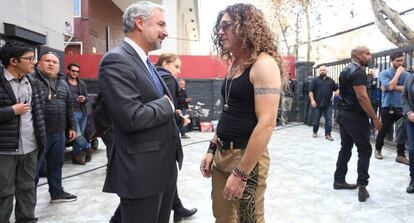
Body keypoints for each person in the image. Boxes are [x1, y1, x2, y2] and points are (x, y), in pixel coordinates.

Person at [98, 1, 183, 222]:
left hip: (162, 168)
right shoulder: (116, 59)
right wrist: (167, 105)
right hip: (142, 173)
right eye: (161, 24)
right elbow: (131, 117)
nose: (166, 32)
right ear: (140, 23)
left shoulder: (143, 60)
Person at [199, 3, 283, 222]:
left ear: (245, 27)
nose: (220, 31)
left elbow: (267, 123)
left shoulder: (264, 65)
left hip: (246, 158)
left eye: (227, 25)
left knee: (249, 219)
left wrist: (241, 172)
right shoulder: (235, 64)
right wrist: (211, 149)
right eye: (219, 26)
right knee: (223, 217)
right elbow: (228, 113)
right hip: (221, 155)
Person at [0, 41, 46, 223]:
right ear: (13, 61)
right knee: (4, 191)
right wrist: (12, 111)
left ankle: (26, 219)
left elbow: (39, 113)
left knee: (27, 189)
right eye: (29, 59)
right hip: (5, 150)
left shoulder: (32, 81)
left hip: (30, 147)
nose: (34, 62)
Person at [334, 46, 382, 202]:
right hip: (355, 116)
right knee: (365, 150)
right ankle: (362, 187)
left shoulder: (345, 70)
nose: (369, 56)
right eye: (367, 54)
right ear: (356, 55)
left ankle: (339, 180)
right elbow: (362, 97)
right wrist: (375, 118)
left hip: (343, 114)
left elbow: (342, 93)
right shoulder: (358, 72)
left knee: (346, 147)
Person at [155, 53, 197, 222]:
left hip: (156, 137)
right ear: (165, 63)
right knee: (168, 175)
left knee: (168, 176)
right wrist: (182, 119)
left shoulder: (153, 75)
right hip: (165, 138)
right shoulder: (169, 79)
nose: (178, 71)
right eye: (176, 66)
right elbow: (167, 111)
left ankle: (178, 208)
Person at [34, 51, 77, 202]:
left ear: (59, 66)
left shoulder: (63, 83)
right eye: (47, 61)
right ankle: (28, 204)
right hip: (38, 134)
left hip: (59, 132)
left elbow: (69, 107)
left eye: (54, 62)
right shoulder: (32, 81)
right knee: (35, 169)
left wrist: (72, 127)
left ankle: (56, 193)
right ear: (39, 63)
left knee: (56, 165)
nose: (51, 64)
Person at [375, 52, 410, 164]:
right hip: (388, 106)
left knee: (401, 131)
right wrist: (397, 75)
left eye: (402, 60)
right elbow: (389, 86)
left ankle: (400, 155)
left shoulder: (408, 75)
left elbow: (406, 89)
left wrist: (391, 86)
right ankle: (378, 150)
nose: (400, 63)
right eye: (398, 61)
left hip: (402, 106)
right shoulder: (384, 73)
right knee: (384, 129)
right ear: (392, 61)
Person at [65, 63, 92, 165]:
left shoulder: (81, 83)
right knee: (77, 135)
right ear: (68, 70)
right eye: (73, 71)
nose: (75, 73)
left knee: (78, 137)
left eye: (77, 71)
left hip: (82, 112)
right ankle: (88, 148)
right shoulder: (63, 82)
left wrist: (84, 98)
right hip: (71, 113)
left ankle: (76, 157)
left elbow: (87, 97)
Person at [309, 65, 338, 141]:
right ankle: (315, 132)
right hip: (317, 104)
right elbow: (310, 91)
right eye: (321, 70)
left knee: (329, 120)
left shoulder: (330, 81)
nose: (322, 71)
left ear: (326, 71)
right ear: (319, 71)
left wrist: (336, 95)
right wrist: (312, 100)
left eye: (324, 70)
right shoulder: (315, 80)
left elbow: (337, 89)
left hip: (328, 104)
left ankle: (328, 134)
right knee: (316, 120)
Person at [401, 71, 414, 193]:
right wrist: (409, 112)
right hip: (412, 120)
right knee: (412, 149)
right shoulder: (410, 78)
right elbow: (404, 96)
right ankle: (413, 179)